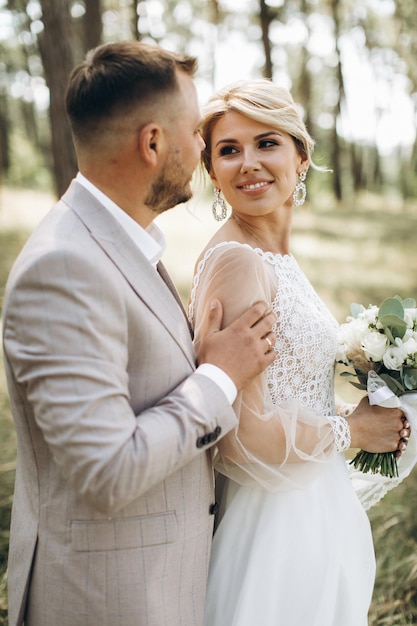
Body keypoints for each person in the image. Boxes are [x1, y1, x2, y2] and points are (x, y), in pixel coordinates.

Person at [2, 43, 278, 626]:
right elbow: (107, 469)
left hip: (156, 581)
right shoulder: (65, 268)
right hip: (106, 598)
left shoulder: (121, 242)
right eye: (195, 132)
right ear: (153, 143)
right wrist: (220, 377)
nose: (202, 148)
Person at [188, 79, 413, 626]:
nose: (248, 163)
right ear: (212, 172)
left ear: (302, 157)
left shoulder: (272, 256)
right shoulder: (239, 262)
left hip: (311, 505)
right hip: (274, 529)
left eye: (267, 143)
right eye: (228, 150)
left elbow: (284, 396)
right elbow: (239, 437)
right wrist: (352, 432)